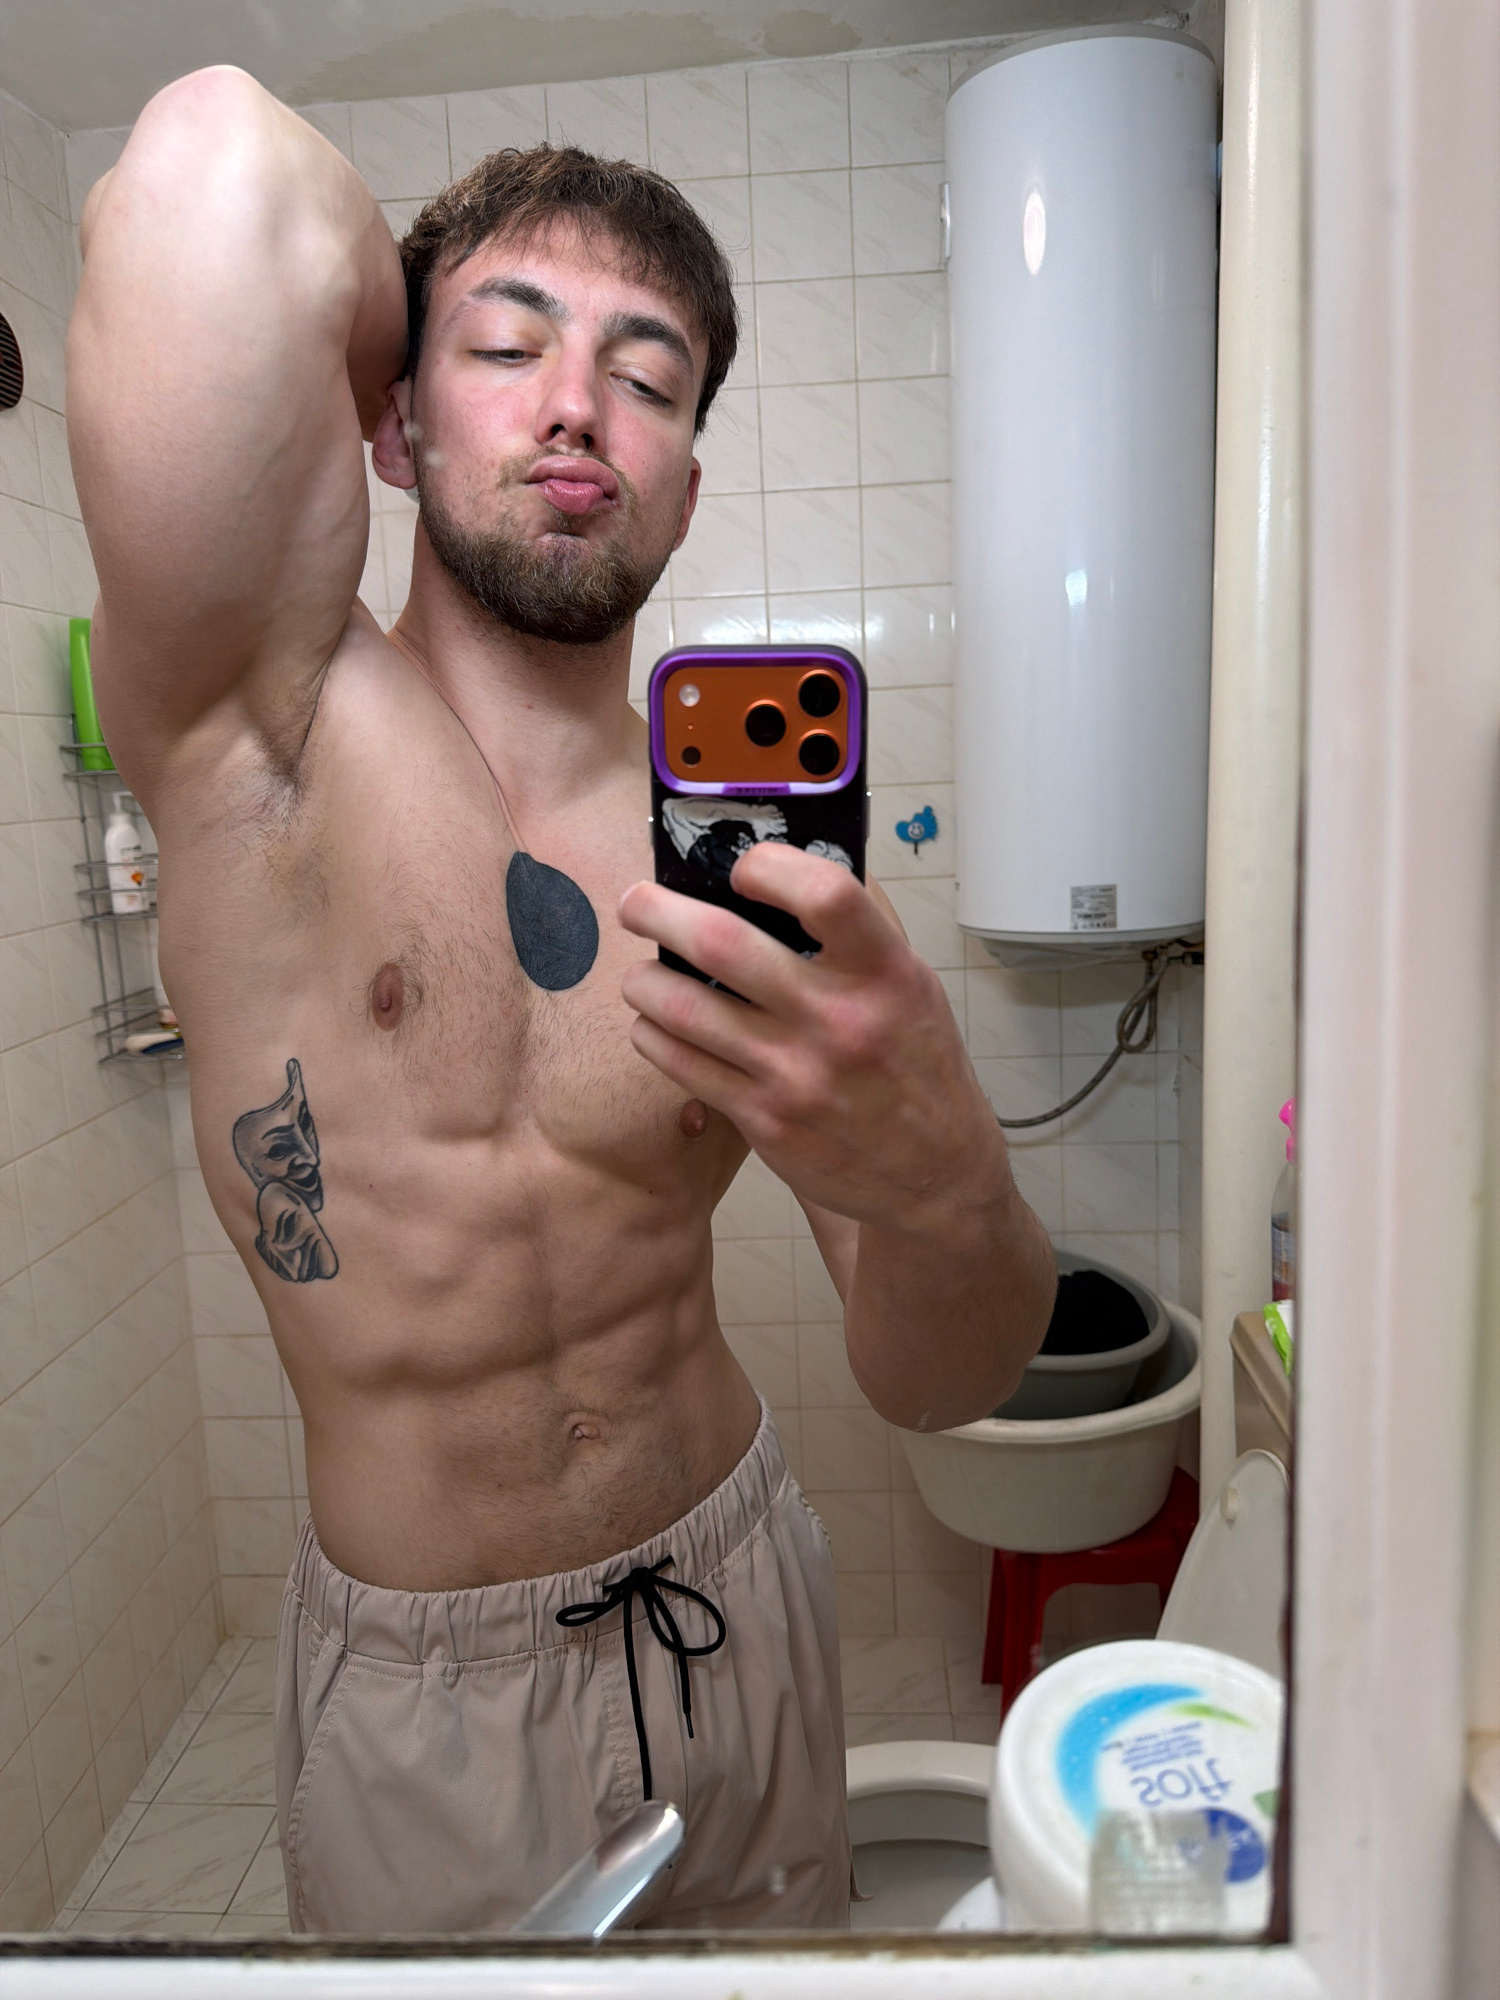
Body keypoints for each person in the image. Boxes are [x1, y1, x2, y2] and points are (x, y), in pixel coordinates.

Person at [68, 66, 1055, 1935]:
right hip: (428, 1693)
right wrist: (419, 321)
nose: (580, 406)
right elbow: (206, 161)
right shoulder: (255, 739)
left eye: (649, 378)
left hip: (735, 1599)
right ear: (390, 418)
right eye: (508, 348)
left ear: (687, 478)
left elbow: (948, 1379)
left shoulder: (737, 857)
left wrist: (945, 1180)